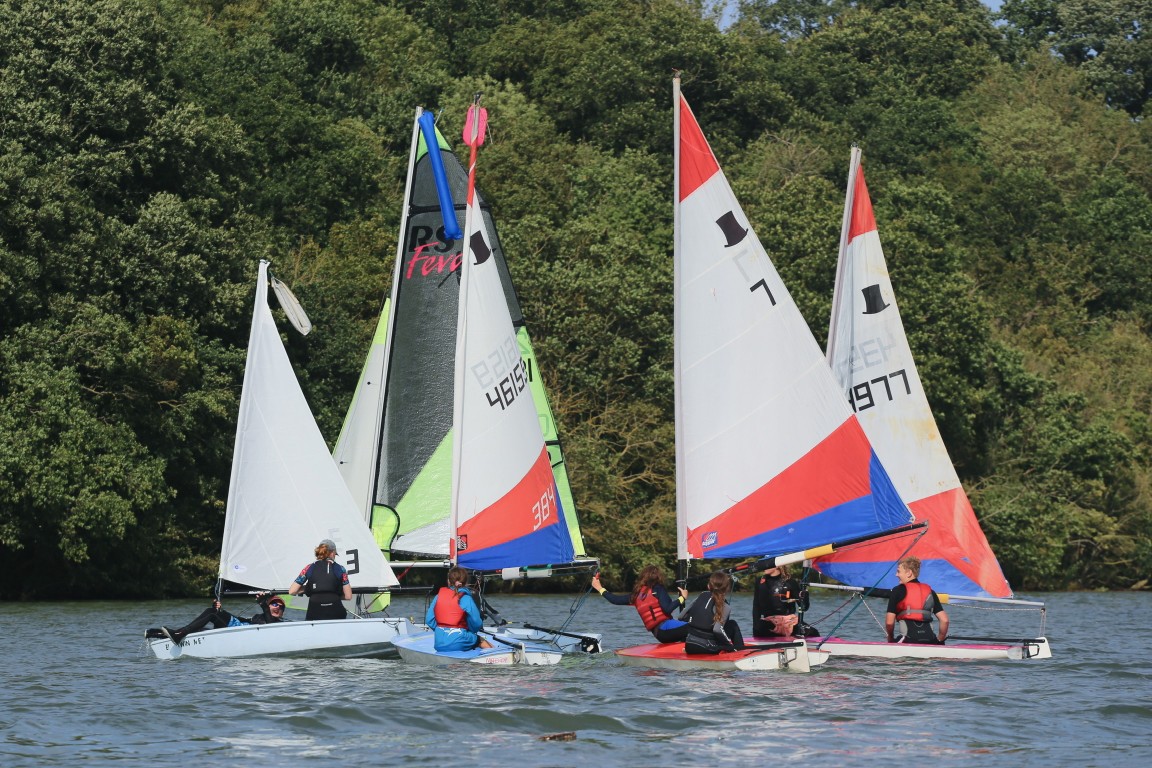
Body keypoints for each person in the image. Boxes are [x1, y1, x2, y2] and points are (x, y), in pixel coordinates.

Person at [592, 565, 690, 643]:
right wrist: (682, 598)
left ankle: (687, 643)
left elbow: (615, 600)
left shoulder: (636, 595)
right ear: (658, 576)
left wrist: (599, 588)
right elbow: (668, 609)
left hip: (658, 635)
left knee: (688, 621)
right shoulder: (658, 588)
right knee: (695, 626)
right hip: (666, 629)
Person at [154, 593, 286, 644]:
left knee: (211, 614)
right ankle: (164, 635)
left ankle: (178, 634)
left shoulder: (280, 625)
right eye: (274, 604)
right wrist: (221, 612)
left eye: (281, 607)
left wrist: (263, 605)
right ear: (269, 605)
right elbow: (240, 620)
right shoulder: (258, 617)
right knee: (210, 616)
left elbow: (270, 628)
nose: (278, 607)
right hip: (235, 630)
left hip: (237, 635)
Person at [425, 566, 492, 652]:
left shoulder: (438, 597)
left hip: (439, 642)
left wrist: (443, 630)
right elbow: (476, 623)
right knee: (481, 640)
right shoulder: (466, 598)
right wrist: (469, 631)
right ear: (466, 583)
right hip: (459, 640)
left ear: (448, 581)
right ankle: (496, 655)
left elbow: (429, 620)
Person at [886, 556, 949, 644]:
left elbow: (889, 623)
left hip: (907, 640)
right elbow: (945, 620)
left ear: (909, 573)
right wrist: (940, 640)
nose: (896, 575)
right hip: (930, 640)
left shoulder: (897, 591)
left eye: (898, 571)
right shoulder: (930, 592)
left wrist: (890, 638)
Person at [681, 571, 746, 654]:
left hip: (689, 645)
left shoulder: (701, 595)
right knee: (732, 624)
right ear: (727, 588)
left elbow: (681, 616)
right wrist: (729, 646)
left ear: (708, 586)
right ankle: (740, 652)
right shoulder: (725, 606)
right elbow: (717, 630)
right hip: (707, 647)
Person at [288, 538, 353, 620]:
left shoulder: (309, 568)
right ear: (332, 553)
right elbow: (348, 596)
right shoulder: (340, 569)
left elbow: (292, 591)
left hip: (314, 613)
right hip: (335, 613)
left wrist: (309, 588)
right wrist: (333, 593)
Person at [751, 563, 817, 638]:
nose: (763, 566)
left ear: (777, 565)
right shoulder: (760, 582)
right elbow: (756, 606)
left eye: (767, 563)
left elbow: (804, 607)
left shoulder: (790, 582)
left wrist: (805, 597)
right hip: (770, 622)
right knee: (759, 627)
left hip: (789, 622)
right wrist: (755, 628)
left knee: (814, 632)